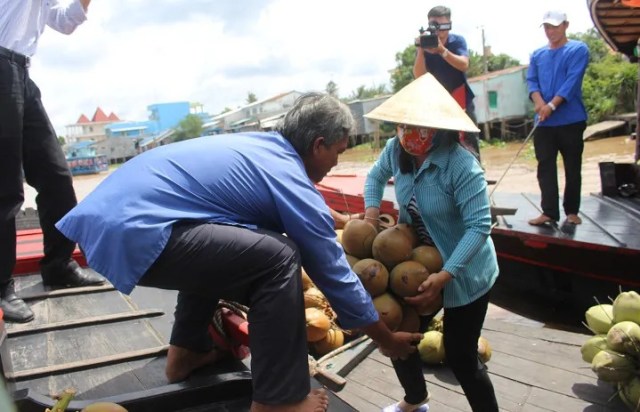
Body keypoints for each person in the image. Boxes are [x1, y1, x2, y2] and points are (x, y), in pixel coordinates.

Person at [55, 93, 423, 412]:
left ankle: (186, 353)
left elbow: (291, 204)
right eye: (338, 152)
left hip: (117, 221)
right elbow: (330, 269)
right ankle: (277, 401)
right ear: (318, 145)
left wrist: (342, 218)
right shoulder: (286, 171)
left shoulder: (263, 150)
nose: (337, 163)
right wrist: (384, 338)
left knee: (224, 247)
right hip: (138, 231)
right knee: (278, 256)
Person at [363, 73, 500, 412]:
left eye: (418, 126)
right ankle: (415, 400)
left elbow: (480, 226)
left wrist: (446, 275)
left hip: (464, 271)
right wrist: (370, 215)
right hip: (416, 261)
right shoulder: (397, 150)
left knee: (460, 354)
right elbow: (375, 176)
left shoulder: (461, 165)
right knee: (398, 335)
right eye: (404, 125)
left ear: (439, 128)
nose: (410, 133)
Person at [0, 0, 105, 324]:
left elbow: (64, 21)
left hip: (21, 70)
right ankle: (1, 286)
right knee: (6, 187)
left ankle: (59, 265)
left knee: (56, 176)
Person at [526, 10, 589, 226]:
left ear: (565, 25)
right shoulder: (537, 55)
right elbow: (532, 81)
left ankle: (572, 211)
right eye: (547, 27)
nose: (550, 31)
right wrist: (539, 103)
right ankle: (549, 212)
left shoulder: (578, 49)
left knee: (572, 166)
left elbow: (572, 81)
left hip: (571, 120)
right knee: (545, 166)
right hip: (544, 122)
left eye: (554, 26)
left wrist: (552, 104)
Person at [413, 5, 481, 161]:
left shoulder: (457, 41)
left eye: (444, 27)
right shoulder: (426, 44)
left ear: (450, 25)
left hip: (460, 101)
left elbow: (464, 64)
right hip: (437, 104)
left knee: (469, 145)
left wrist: (442, 50)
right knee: (438, 147)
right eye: (436, 27)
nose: (440, 31)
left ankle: (474, 178)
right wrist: (421, 50)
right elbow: (419, 75)